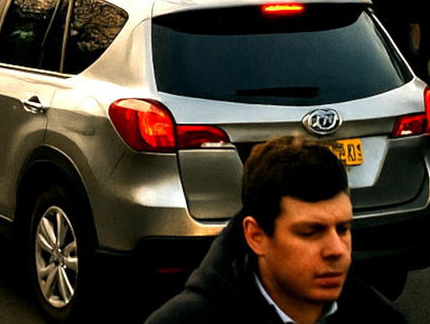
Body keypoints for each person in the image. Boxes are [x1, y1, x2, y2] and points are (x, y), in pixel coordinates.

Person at [145, 136, 406, 324]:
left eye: (343, 229)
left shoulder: (380, 317)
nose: (337, 250)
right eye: (310, 232)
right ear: (255, 236)